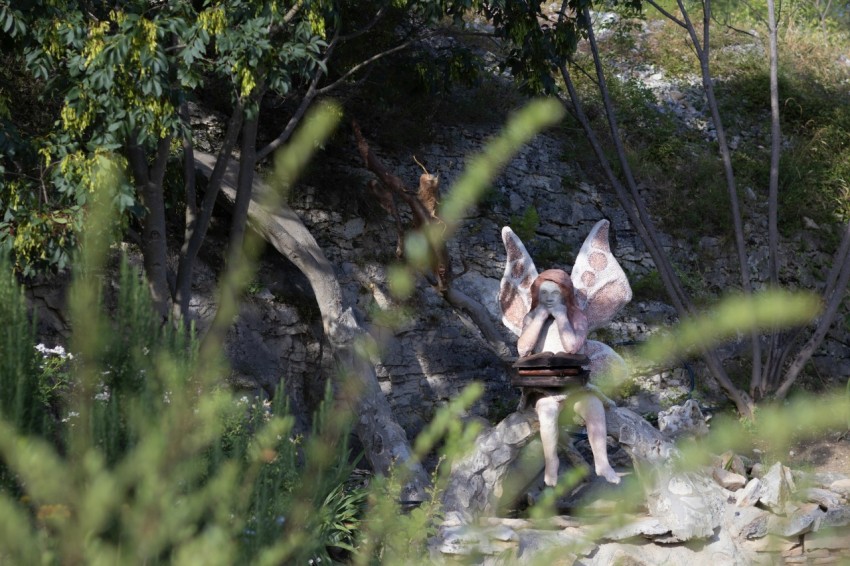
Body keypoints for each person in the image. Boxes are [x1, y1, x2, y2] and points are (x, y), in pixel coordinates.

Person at [517, 269, 621, 486]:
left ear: (565, 294)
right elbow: (523, 349)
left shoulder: (577, 317)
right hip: (544, 386)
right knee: (547, 412)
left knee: (594, 407)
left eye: (554, 293)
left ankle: (602, 462)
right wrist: (540, 317)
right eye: (543, 293)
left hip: (574, 385)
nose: (548, 298)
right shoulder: (531, 317)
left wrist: (562, 316)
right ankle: (551, 461)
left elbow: (573, 347)